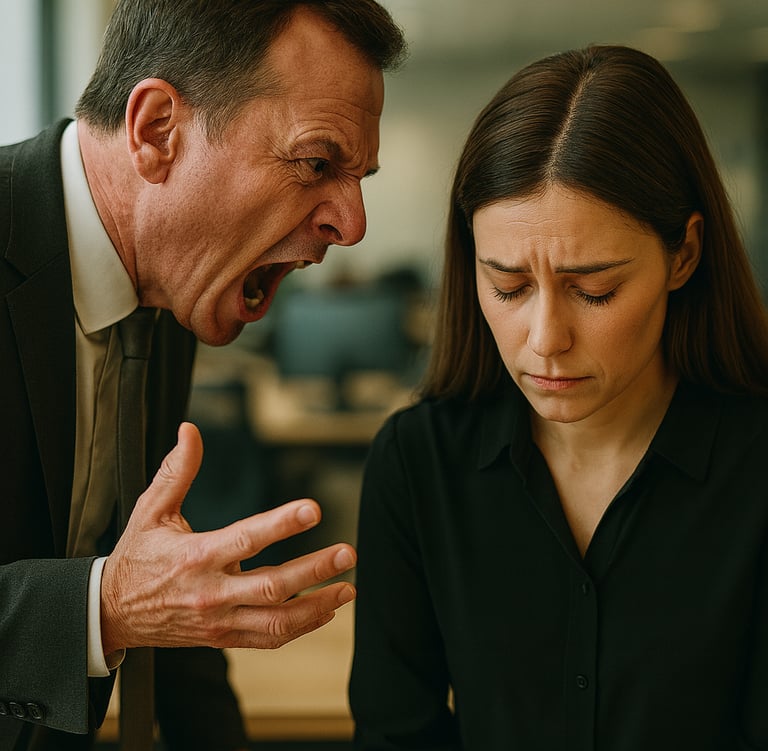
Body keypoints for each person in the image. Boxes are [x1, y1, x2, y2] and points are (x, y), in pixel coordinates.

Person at [0, 1, 405, 749]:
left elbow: (169, 619)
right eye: (318, 163)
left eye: (359, 178)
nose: (353, 224)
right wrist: (105, 609)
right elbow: (132, 600)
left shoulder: (172, 282)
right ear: (157, 130)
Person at [349, 44, 768, 750]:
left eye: (594, 289)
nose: (544, 338)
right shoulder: (419, 465)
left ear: (684, 256)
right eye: (507, 287)